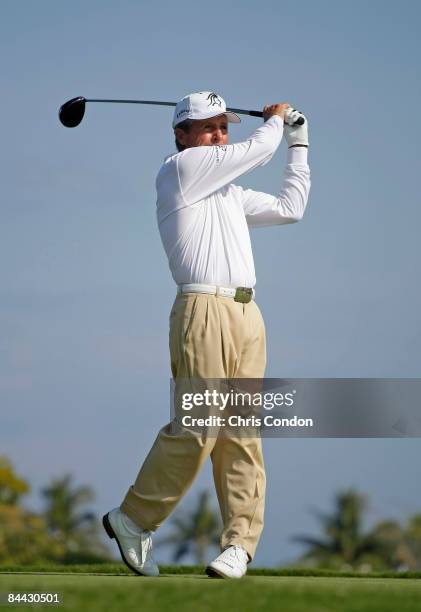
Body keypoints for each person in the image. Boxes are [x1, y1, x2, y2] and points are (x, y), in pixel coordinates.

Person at [102, 91, 311, 578]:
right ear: (181, 134)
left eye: (223, 127)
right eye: (207, 127)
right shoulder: (179, 170)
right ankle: (133, 518)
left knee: (242, 433)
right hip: (202, 309)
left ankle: (239, 544)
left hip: (247, 314)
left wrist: (298, 143)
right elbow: (254, 151)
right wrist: (278, 122)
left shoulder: (230, 193)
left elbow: (291, 207)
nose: (219, 136)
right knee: (198, 427)